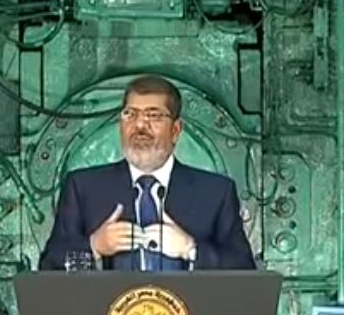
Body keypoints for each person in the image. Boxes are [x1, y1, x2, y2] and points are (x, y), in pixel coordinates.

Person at [38, 75, 255, 271]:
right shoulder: (83, 187)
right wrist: (94, 246)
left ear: (175, 130)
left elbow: (244, 271)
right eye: (130, 114)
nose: (140, 125)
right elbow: (49, 267)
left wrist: (191, 250)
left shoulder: (215, 192)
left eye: (154, 115)